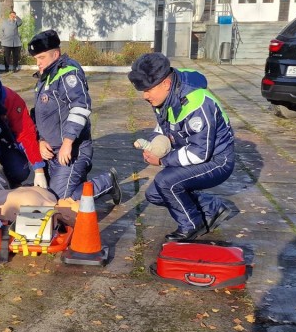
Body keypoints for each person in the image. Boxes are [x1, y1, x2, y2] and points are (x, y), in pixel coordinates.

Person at [128, 53, 233, 241]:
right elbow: (162, 126)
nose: (145, 96)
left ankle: (192, 225)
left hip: (217, 161)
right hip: (192, 152)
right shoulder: (167, 95)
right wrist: (155, 144)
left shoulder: (198, 103)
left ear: (165, 84)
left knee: (166, 182)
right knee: (154, 194)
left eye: (147, 90)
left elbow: (200, 153)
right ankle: (211, 207)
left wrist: (162, 160)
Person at [29, 29, 120, 203]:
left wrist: (68, 142)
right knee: (42, 196)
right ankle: (74, 180)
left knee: (61, 200)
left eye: (41, 58)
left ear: (55, 54)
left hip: (72, 150)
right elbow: (39, 114)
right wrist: (40, 140)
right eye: (36, 60)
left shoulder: (68, 74)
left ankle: (107, 182)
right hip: (50, 151)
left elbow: (80, 107)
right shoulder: (46, 76)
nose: (38, 64)